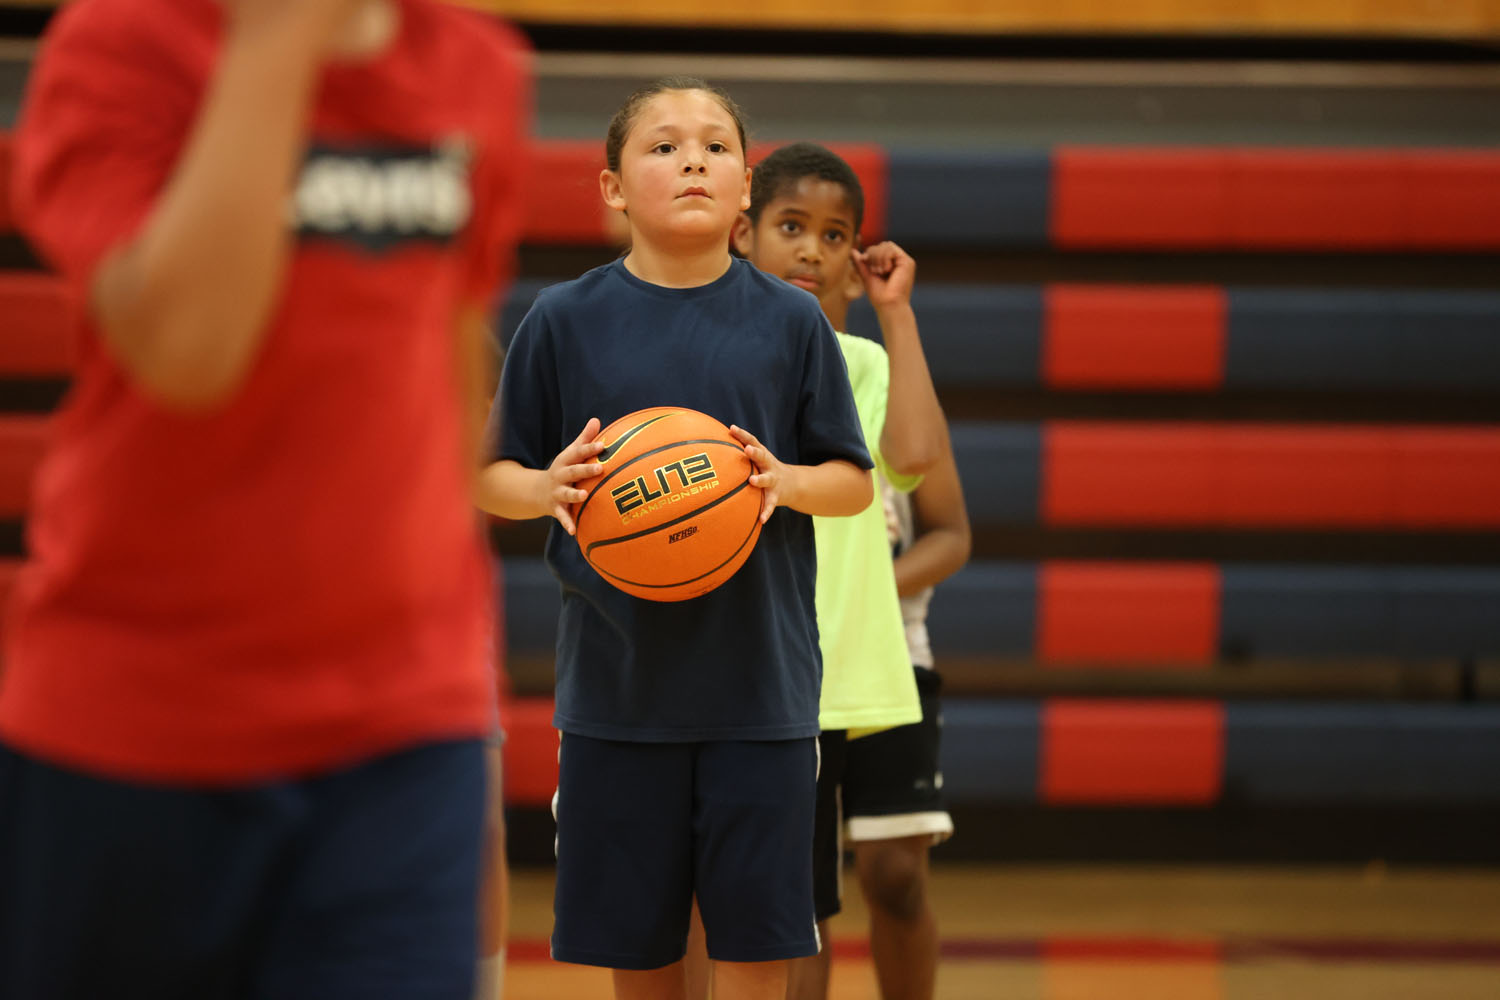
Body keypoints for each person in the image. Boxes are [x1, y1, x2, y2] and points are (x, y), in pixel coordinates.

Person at [0, 2, 530, 998]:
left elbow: (453, 366)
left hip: (399, 734)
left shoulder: (472, 61)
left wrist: (440, 642)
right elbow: (189, 350)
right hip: (136, 726)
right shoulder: (120, 44)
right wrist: (282, 36)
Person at [475, 79, 874, 1000]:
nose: (692, 158)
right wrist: (544, 487)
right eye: (663, 146)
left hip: (762, 698)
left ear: (745, 190)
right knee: (642, 959)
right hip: (618, 695)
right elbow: (490, 473)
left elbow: (852, 481)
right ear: (613, 187)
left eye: (715, 146)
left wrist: (784, 481)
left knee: (753, 950)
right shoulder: (562, 320)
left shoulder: (790, 321)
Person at [729, 142, 954, 1000]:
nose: (813, 250)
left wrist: (896, 314)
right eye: (792, 227)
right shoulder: (717, 362)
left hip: (866, 666)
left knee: (889, 879)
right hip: (770, 672)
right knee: (795, 906)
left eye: (835, 236)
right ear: (745, 235)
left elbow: (918, 460)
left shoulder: (861, 365)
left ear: (854, 267)